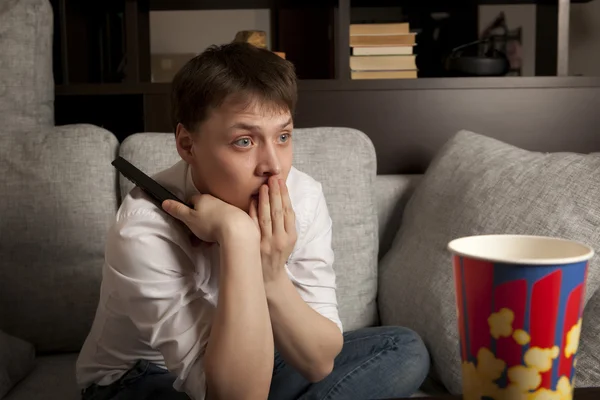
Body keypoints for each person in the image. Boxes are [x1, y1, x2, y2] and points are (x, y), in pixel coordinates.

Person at [76, 42, 430, 400]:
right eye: (244, 141)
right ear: (187, 144)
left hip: (247, 360)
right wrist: (239, 236)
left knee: (402, 348)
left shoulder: (301, 197)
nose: (273, 166)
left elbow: (319, 362)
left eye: (283, 136)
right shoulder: (143, 227)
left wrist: (272, 275)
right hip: (140, 378)